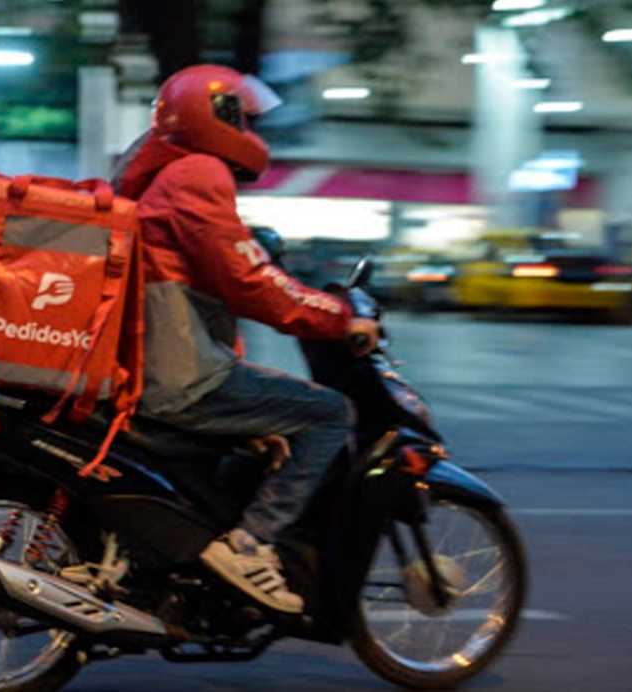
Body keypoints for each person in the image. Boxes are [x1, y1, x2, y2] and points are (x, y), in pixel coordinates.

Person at [112, 65, 380, 614]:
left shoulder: (166, 174)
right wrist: (338, 316)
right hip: (183, 377)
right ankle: (249, 545)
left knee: (265, 430)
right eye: (250, 120)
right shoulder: (197, 174)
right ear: (220, 118)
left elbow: (228, 280)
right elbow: (250, 280)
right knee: (328, 413)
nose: (258, 134)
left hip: (167, 364)